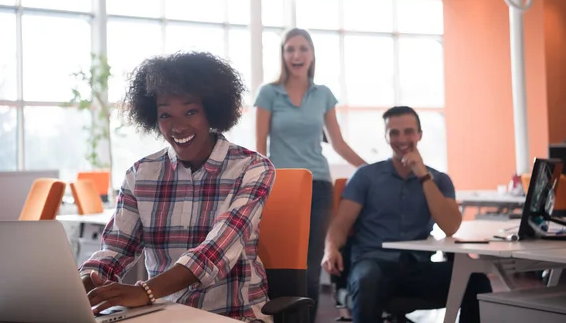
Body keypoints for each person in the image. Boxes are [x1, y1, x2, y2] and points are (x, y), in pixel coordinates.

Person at [79, 51, 275, 322]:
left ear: (212, 111)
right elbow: (116, 249)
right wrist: (84, 282)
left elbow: (215, 252)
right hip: (161, 315)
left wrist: (146, 291)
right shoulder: (140, 175)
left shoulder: (252, 168)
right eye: (165, 115)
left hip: (233, 315)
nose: (178, 126)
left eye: (191, 111)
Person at [321, 106, 492, 323]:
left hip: (417, 266)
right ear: (386, 136)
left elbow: (450, 226)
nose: (401, 138)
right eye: (394, 132)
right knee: (367, 279)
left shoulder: (439, 180)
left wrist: (422, 175)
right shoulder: (366, 176)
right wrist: (331, 249)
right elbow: (341, 223)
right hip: (373, 262)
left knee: (477, 282)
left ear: (419, 135)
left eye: (408, 131)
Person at [254, 28, 367, 322]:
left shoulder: (323, 95)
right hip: (281, 188)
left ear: (312, 54)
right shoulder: (268, 93)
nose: (296, 55)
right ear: (283, 55)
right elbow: (259, 148)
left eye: (303, 48)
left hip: (318, 186)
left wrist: (370, 169)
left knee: (309, 269)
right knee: (278, 266)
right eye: (290, 49)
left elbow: (338, 144)